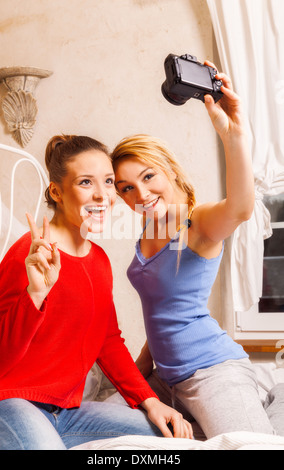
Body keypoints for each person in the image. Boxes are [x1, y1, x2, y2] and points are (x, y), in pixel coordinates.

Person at [0, 134, 193, 450]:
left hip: (67, 412)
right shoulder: (29, 254)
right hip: (7, 402)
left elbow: (108, 341)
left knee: (167, 439)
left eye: (108, 182)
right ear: (57, 191)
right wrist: (35, 295)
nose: (102, 195)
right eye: (85, 183)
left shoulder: (99, 262)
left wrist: (149, 401)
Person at [111, 62, 275, 439]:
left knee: (250, 448)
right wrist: (140, 369)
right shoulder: (148, 226)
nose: (141, 194)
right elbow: (161, 309)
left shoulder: (196, 223)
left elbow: (240, 208)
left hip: (209, 370)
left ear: (170, 169)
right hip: (164, 379)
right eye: (126, 188)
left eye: (148, 176)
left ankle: (258, 400)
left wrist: (235, 134)